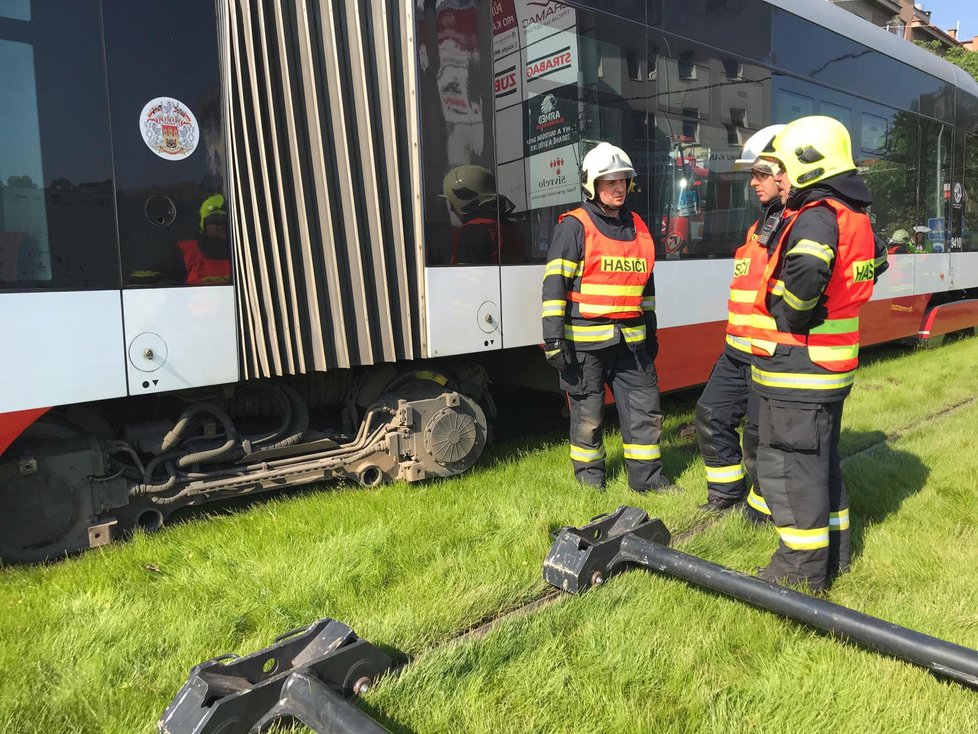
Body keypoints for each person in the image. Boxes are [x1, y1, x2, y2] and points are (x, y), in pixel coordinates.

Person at [749, 115, 878, 592]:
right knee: (821, 465)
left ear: (808, 163)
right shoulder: (854, 213)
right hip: (831, 365)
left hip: (800, 368)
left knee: (789, 470)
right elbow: (875, 263)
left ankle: (799, 574)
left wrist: (792, 312)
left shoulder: (817, 214)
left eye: (780, 168)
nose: (776, 177)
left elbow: (805, 273)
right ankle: (836, 556)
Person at [541, 142, 670, 492]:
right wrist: (553, 339)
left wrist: (651, 330)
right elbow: (554, 286)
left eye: (623, 180)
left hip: (631, 343)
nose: (618, 188)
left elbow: (646, 287)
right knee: (588, 417)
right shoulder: (574, 227)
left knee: (645, 411)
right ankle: (590, 483)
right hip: (585, 346)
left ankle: (649, 481)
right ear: (592, 185)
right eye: (609, 181)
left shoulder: (639, 227)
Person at [694, 125, 784, 518]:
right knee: (711, 415)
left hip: (771, 354)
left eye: (761, 173)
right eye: (752, 175)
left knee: (761, 438)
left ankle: (762, 512)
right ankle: (726, 494)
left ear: (786, 171)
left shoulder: (801, 224)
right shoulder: (757, 228)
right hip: (737, 352)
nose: (753, 182)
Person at [440, 164, 527, 264]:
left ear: (461, 200)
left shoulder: (470, 233)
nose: (452, 210)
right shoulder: (511, 228)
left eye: (452, 203)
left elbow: (465, 275)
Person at [177, 194, 232, 284]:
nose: (221, 226)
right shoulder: (185, 252)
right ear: (203, 225)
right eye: (215, 221)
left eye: (225, 221)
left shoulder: (243, 250)